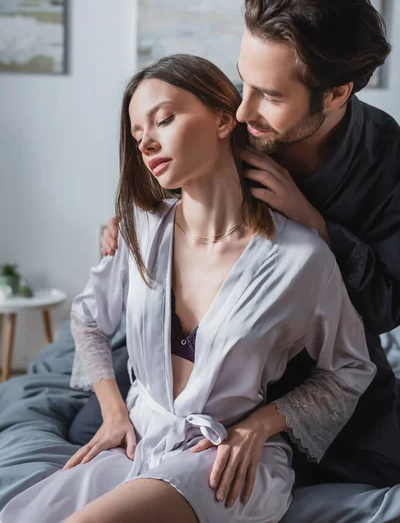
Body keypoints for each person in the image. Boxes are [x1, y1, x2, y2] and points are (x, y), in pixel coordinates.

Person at [0, 54, 375, 523]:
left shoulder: (299, 259)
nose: (147, 142)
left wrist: (261, 424)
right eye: (138, 135)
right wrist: (114, 413)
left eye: (164, 120)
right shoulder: (140, 230)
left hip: (223, 464)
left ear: (223, 118)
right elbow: (88, 318)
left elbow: (349, 370)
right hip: (140, 446)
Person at [101, 0, 400, 501]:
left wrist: (317, 226)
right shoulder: (238, 117)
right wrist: (136, 219)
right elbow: (178, 172)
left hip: (324, 389)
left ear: (336, 94)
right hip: (199, 381)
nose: (241, 110)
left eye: (270, 96)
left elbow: (385, 308)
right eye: (244, 82)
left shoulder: (388, 159)